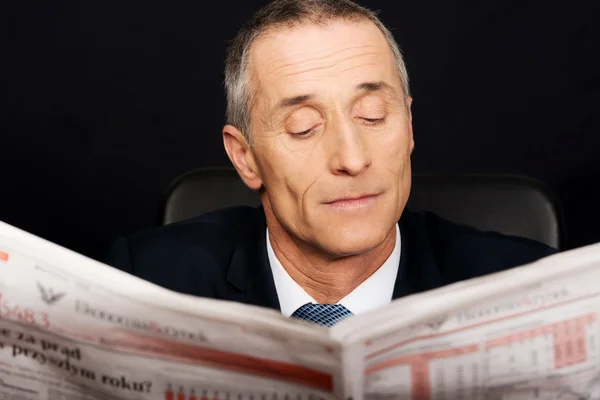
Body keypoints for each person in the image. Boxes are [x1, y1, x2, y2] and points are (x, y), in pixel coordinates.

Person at [107, 0, 556, 326]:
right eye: (304, 126)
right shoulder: (146, 284)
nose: (352, 158)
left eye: (373, 116)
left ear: (410, 124)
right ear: (245, 159)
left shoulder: (533, 290)